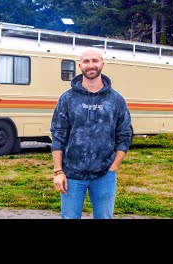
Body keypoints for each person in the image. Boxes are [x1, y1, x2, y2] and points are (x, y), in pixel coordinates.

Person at [50, 47, 132, 219]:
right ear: (80, 65)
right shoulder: (67, 98)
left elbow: (124, 135)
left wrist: (113, 166)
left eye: (95, 60)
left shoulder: (116, 100)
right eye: (86, 61)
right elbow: (58, 135)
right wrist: (58, 171)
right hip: (71, 174)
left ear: (102, 64)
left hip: (104, 175)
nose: (91, 65)